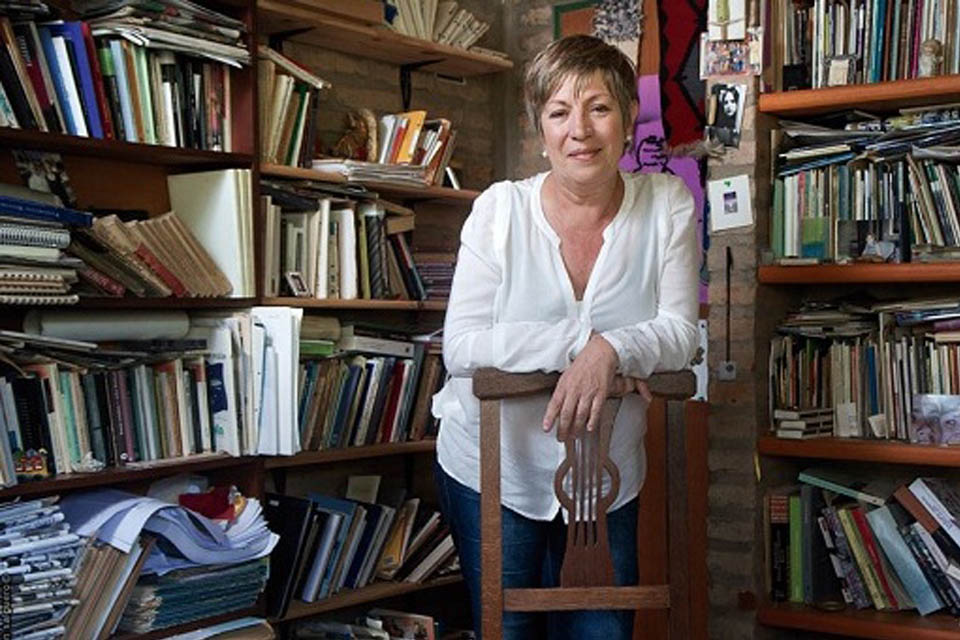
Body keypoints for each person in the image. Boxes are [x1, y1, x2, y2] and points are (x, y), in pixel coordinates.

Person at [432, 34, 699, 640]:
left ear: (628, 118)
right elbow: (463, 347)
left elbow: (681, 333)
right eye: (559, 112)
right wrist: (584, 347)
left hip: (605, 476)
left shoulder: (666, 205)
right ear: (540, 128)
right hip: (495, 466)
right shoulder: (499, 211)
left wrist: (614, 350)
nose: (580, 130)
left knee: (603, 632)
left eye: (599, 108)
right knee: (511, 631)